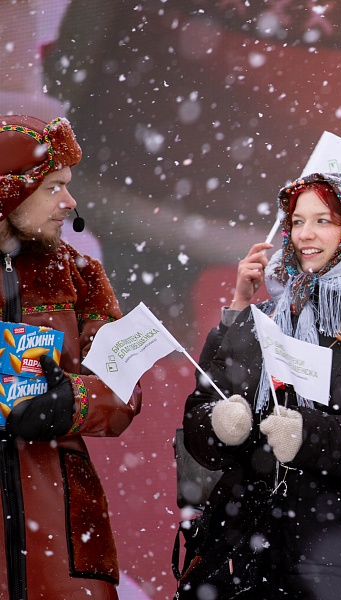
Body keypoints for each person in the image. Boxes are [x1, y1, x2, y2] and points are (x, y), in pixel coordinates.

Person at [180, 172, 341, 599]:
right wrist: (219, 425)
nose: (304, 234)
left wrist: (310, 435)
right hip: (243, 552)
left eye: (322, 221)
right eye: (297, 221)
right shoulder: (266, 315)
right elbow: (200, 417)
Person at [0, 115, 142, 598]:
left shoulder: (80, 273)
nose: (70, 202)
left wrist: (71, 402)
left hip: (64, 538)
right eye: (53, 187)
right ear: (9, 193)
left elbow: (124, 383)